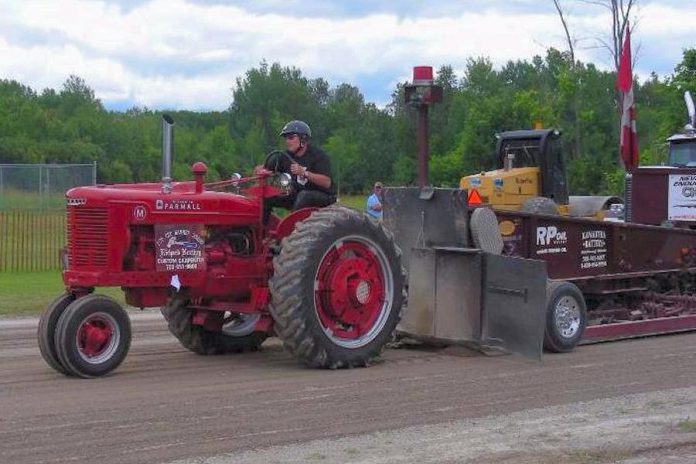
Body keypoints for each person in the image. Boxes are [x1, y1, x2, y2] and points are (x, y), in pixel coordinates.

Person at [255, 120, 335, 222]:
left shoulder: (318, 155)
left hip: (323, 196)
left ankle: (290, 231)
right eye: (286, 138)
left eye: (291, 138)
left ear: (303, 139)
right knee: (267, 195)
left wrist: (304, 173)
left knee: (304, 195)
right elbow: (264, 168)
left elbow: (326, 183)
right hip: (297, 195)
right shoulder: (284, 156)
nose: (287, 141)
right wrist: (261, 171)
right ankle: (261, 229)